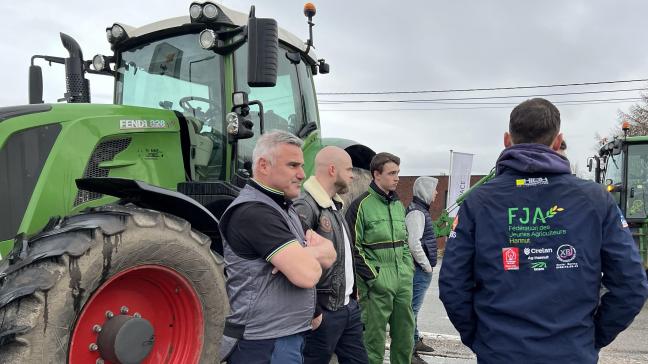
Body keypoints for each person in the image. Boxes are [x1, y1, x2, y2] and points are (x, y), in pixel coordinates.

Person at [439, 98, 648, 363]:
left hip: (500, 352)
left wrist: (481, 340)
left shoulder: (478, 202)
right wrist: (590, 338)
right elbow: (631, 286)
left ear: (507, 140)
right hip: (572, 352)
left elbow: (453, 285)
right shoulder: (596, 200)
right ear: (558, 141)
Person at [218, 130, 337, 364]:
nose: (302, 174)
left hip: (283, 338)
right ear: (263, 165)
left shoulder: (285, 208)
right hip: (263, 344)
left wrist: (302, 254)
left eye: (302, 165)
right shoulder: (254, 212)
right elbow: (308, 274)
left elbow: (330, 253)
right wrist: (308, 256)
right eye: (293, 165)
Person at [294, 146, 369, 364]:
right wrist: (315, 310)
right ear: (333, 169)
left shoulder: (334, 206)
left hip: (348, 308)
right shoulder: (306, 206)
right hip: (325, 311)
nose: (352, 175)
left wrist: (353, 293)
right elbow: (295, 263)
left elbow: (344, 255)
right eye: (348, 170)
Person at [345, 152, 415, 364]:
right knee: (372, 342)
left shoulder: (397, 205)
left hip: (402, 279)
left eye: (398, 173)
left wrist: (407, 268)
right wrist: (374, 277)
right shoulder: (361, 206)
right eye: (392, 173)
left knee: (405, 338)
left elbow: (404, 242)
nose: (397, 178)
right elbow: (352, 248)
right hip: (376, 283)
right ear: (376, 174)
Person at [405, 176, 439, 364]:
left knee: (414, 309)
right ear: (425, 190)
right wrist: (426, 267)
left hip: (420, 270)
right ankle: (409, 352)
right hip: (418, 270)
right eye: (433, 189)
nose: (435, 193)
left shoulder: (420, 211)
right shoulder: (417, 213)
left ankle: (415, 341)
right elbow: (413, 243)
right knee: (412, 311)